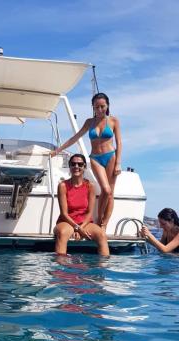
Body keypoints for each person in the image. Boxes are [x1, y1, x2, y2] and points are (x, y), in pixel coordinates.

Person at [50, 92, 122, 231]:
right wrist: (57, 151)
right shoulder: (90, 122)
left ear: (107, 106)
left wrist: (118, 163)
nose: (100, 110)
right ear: (93, 107)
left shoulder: (113, 121)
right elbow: (75, 138)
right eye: (96, 107)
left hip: (111, 156)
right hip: (95, 158)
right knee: (105, 190)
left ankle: (104, 225)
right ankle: (98, 219)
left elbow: (119, 142)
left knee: (110, 193)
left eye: (102, 106)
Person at [54, 154, 109, 257]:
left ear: (84, 167)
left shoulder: (90, 186)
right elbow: (64, 214)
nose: (76, 166)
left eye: (80, 164)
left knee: (102, 235)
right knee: (62, 233)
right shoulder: (62, 186)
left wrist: (81, 228)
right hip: (67, 221)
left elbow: (89, 212)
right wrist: (77, 228)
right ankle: (60, 269)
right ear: (69, 166)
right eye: (73, 164)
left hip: (85, 222)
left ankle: (102, 269)